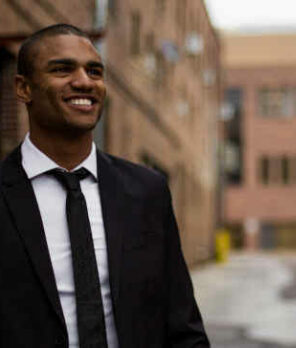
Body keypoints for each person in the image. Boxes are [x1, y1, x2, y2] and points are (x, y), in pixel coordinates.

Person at [0, 24, 209, 348]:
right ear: (24, 88)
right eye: (62, 69)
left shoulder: (146, 192)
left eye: (95, 71)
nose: (84, 81)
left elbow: (182, 324)